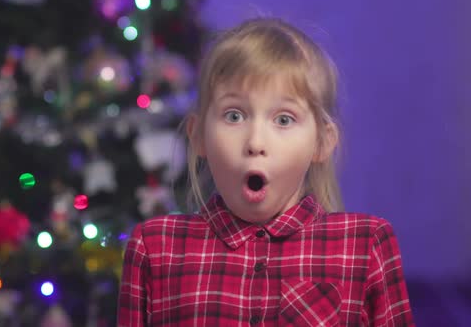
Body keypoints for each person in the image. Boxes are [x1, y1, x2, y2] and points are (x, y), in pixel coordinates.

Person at [118, 17, 414, 326]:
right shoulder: (154, 247)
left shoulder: (365, 245)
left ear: (322, 142)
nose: (256, 142)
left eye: (284, 120)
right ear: (198, 136)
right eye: (234, 115)